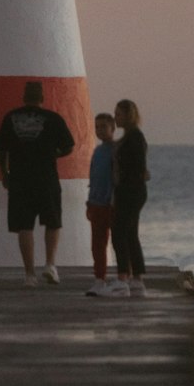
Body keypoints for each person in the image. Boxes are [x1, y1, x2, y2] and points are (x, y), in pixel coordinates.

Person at [0, 81, 75, 287]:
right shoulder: (54, 119)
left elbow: (1, 150)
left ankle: (30, 274)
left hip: (20, 179)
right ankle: (50, 264)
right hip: (47, 178)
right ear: (42, 97)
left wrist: (5, 173)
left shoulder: (10, 118)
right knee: (53, 222)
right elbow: (68, 146)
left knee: (24, 226)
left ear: (24, 96)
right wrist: (54, 153)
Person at [109, 98, 151, 298]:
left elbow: (137, 167)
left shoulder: (134, 137)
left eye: (118, 114)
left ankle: (124, 277)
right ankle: (137, 278)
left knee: (119, 232)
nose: (115, 117)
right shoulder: (129, 137)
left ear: (128, 115)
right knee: (130, 233)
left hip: (131, 191)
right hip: (128, 191)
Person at [85, 112, 116, 297]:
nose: (99, 130)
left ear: (113, 128)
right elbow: (93, 177)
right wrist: (89, 202)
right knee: (97, 243)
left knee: (120, 242)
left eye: (103, 127)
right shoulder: (97, 152)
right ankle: (99, 278)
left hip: (110, 204)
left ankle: (124, 278)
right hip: (96, 204)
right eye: (97, 127)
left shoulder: (116, 150)